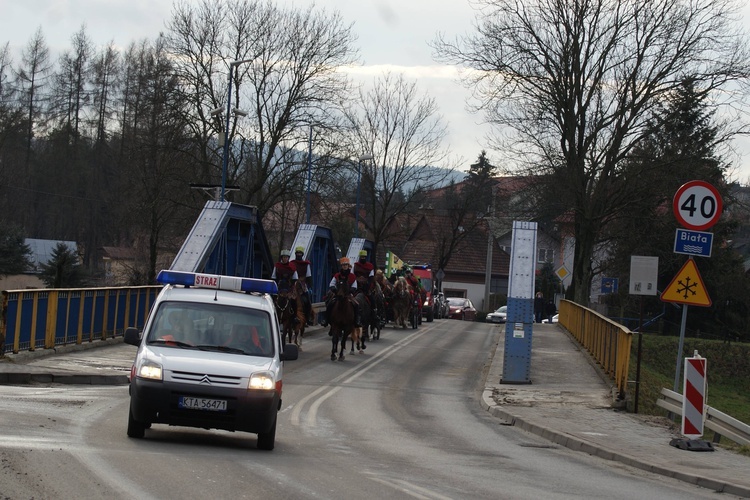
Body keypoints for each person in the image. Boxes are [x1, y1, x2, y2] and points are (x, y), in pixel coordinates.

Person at [319, 257, 361, 330]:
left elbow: (354, 286)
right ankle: (326, 319)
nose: (344, 266)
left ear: (348, 266)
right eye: (343, 265)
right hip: (338, 295)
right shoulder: (337, 275)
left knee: (356, 305)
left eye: (346, 265)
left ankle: (357, 320)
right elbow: (331, 284)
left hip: (348, 295)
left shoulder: (352, 276)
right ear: (341, 266)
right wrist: (335, 291)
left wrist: (350, 291)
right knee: (330, 304)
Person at [271, 249, 300, 325]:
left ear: (288, 258)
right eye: (284, 257)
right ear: (281, 258)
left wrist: (291, 286)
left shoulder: (292, 267)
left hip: (289, 287)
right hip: (279, 286)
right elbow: (273, 277)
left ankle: (294, 317)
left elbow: (295, 278)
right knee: (271, 299)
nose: (285, 259)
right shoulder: (277, 266)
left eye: (286, 257)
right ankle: (271, 315)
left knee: (294, 300)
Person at [292, 246, 315, 325]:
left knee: (307, 300)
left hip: (302, 285)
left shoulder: (306, 264)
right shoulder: (292, 263)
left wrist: (310, 286)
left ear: (302, 254)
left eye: (300, 253)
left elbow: (309, 276)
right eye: (297, 253)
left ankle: (308, 317)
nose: (298, 254)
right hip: (293, 283)